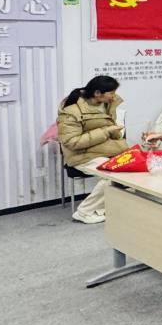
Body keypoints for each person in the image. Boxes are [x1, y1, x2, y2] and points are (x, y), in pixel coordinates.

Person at [57, 75, 127, 224]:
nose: (114, 96)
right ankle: (84, 212)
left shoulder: (108, 103)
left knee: (131, 167)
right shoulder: (71, 112)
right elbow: (71, 142)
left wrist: (114, 132)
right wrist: (105, 131)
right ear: (97, 93)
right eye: (111, 93)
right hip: (81, 156)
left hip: (102, 151)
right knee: (112, 175)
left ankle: (102, 208)